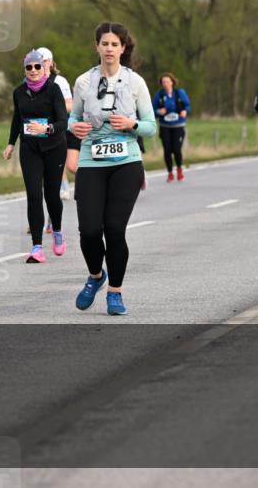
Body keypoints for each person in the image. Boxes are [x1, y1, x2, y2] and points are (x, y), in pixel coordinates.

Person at [69, 22, 157, 315]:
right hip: (91, 162)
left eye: (114, 44)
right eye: (104, 43)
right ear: (97, 47)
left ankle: (115, 293)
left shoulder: (135, 82)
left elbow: (150, 127)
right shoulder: (83, 82)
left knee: (115, 229)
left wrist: (132, 125)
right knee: (90, 231)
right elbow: (73, 120)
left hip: (127, 163)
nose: (109, 49)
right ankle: (96, 276)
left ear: (122, 48)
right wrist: (76, 127)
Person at [4, 50, 69, 263]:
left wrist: (47, 128)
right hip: (30, 148)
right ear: (25, 69)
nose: (33, 70)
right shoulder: (19, 92)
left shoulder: (54, 89)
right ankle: (37, 248)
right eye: (29, 67)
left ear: (44, 67)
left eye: (37, 66)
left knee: (52, 196)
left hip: (54, 147)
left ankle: (57, 231)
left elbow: (63, 122)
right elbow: (17, 119)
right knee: (33, 195)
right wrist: (11, 143)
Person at [37, 47, 75, 201]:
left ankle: (65, 186)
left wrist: (52, 108)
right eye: (38, 61)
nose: (41, 64)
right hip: (40, 127)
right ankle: (61, 186)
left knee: (61, 159)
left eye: (44, 61)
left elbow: (70, 105)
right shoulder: (30, 81)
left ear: (51, 63)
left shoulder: (59, 81)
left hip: (60, 125)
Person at [153, 73, 191, 183]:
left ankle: (179, 168)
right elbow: (152, 109)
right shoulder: (159, 95)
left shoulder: (180, 93)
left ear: (172, 82)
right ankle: (170, 173)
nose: (165, 84)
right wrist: (158, 111)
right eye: (163, 82)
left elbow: (188, 106)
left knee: (177, 149)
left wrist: (185, 111)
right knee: (167, 150)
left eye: (167, 81)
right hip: (165, 126)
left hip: (178, 125)